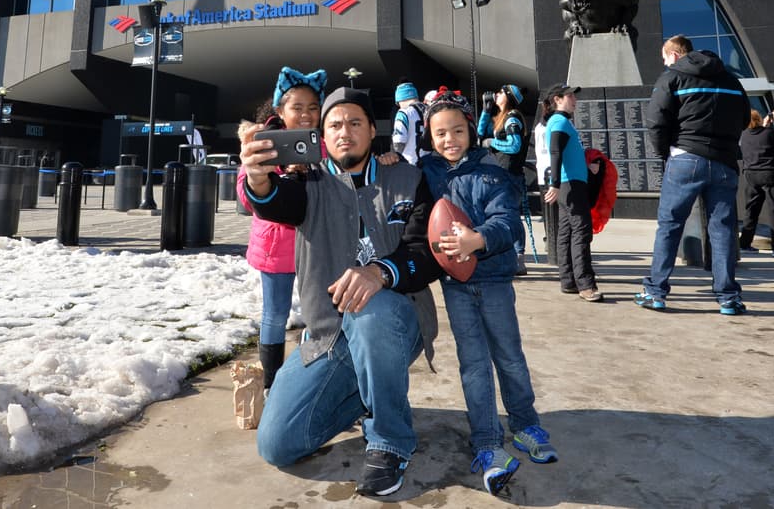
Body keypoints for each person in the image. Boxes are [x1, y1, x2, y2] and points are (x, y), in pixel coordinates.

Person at [240, 86, 439, 499]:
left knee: (371, 308)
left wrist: (381, 272)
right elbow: (273, 202)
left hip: (395, 322)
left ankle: (389, 442)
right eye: (334, 124)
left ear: (372, 129)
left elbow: (427, 253)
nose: (344, 131)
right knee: (277, 444)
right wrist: (258, 178)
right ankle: (371, 394)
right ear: (322, 136)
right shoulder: (307, 182)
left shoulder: (407, 176)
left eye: (354, 122)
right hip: (330, 335)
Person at [418, 92, 556, 496]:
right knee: (473, 364)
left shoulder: (492, 170)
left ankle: (525, 424)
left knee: (509, 356)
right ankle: (485, 442)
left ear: (470, 131)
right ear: (429, 136)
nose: (449, 140)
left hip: (494, 280)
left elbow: (509, 222)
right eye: (440, 133)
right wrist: (391, 159)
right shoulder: (425, 171)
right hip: (457, 286)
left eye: (457, 131)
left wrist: (478, 239)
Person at [636, 35, 751, 314]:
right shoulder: (732, 80)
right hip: (724, 161)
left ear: (674, 55)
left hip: (685, 157)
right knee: (722, 229)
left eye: (664, 58)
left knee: (670, 224)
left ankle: (656, 293)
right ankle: (728, 298)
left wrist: (667, 152)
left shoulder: (672, 77)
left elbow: (656, 121)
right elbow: (745, 117)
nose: (664, 63)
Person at [235, 66, 326, 391]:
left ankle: (309, 379)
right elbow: (247, 199)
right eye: (297, 107)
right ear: (279, 110)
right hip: (276, 248)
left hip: (317, 246)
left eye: (313, 107)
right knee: (275, 315)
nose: (306, 115)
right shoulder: (261, 144)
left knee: (318, 315)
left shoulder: (324, 145)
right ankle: (272, 386)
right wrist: (269, 173)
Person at [540, 85, 601, 302]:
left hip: (569, 184)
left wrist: (587, 166)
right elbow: (555, 152)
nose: (575, 99)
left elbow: (566, 153)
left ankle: (568, 281)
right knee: (582, 232)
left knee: (566, 233)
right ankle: (586, 285)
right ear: (557, 99)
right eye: (570, 95)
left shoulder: (561, 122)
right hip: (569, 186)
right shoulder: (560, 122)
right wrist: (554, 184)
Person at [477, 85, 531, 274]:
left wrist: (492, 143)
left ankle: (519, 258)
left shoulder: (513, 117)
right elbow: (479, 135)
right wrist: (485, 110)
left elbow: (514, 145)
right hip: (499, 174)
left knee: (511, 216)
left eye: (500, 92)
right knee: (497, 215)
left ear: (508, 98)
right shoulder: (500, 118)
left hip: (510, 175)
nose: (496, 94)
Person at [738, 108, 774, 256]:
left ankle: (744, 243)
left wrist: (765, 126)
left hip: (751, 175)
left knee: (751, 211)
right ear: (758, 120)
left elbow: (759, 137)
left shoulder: (744, 136)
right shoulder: (769, 133)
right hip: (771, 175)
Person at [390, 80, 426, 166]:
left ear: (399, 100)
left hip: (411, 165)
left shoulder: (403, 112)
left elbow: (399, 142)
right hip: (432, 165)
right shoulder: (430, 110)